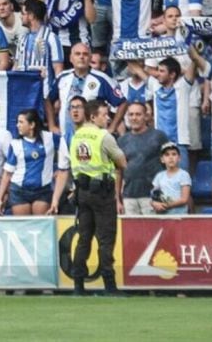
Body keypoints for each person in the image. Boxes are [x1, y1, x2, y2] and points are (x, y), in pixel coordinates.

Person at [64, 99, 127, 296]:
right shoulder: (103, 136)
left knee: (84, 239)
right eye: (104, 114)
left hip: (82, 192)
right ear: (93, 116)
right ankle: (109, 285)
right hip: (102, 193)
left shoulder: (76, 136)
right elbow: (122, 162)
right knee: (106, 239)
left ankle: (78, 286)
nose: (107, 118)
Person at [0, 109, 56, 215]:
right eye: (17, 122)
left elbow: (68, 146)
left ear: (32, 124)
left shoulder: (49, 138)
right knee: (23, 227)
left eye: (21, 122)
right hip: (19, 191)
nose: (17, 125)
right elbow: (7, 173)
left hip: (42, 191)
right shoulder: (15, 144)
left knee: (39, 226)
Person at [118, 102, 170, 216]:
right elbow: (118, 171)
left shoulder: (159, 136)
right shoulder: (122, 141)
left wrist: (166, 194)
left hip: (152, 197)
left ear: (146, 116)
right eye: (131, 115)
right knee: (132, 233)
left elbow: (170, 165)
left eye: (138, 114)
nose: (134, 118)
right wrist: (117, 199)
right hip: (129, 197)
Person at [151, 142, 191, 214]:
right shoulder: (159, 176)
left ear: (179, 158)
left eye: (174, 154)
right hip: (163, 216)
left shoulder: (184, 175)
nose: (171, 157)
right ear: (162, 159)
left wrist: (166, 205)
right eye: (167, 155)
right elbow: (154, 195)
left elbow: (184, 199)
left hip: (179, 216)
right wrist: (154, 204)